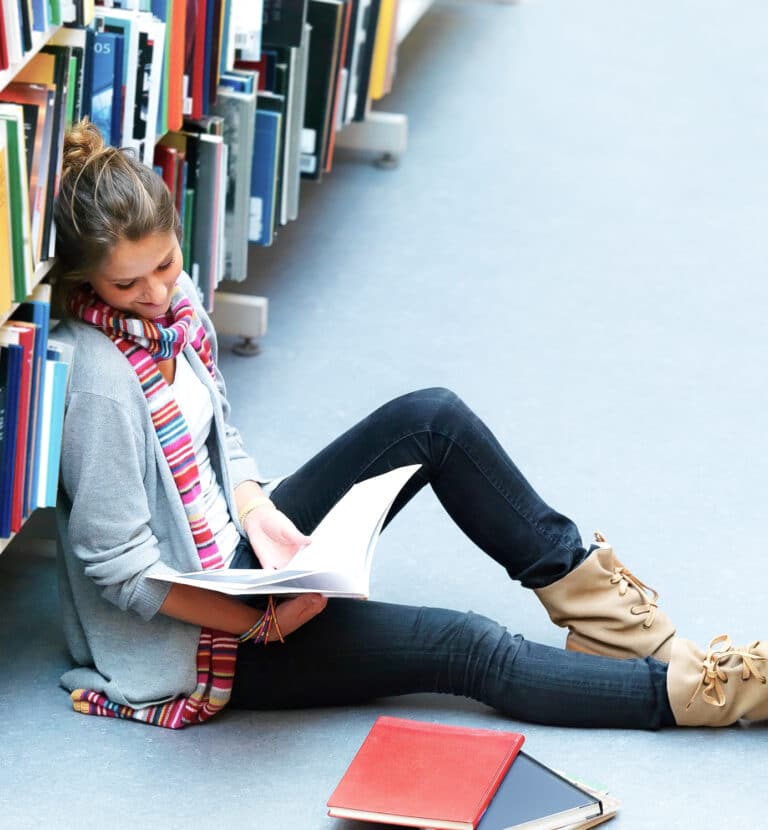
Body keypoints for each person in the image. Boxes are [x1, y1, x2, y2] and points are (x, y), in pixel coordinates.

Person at [52, 118, 767, 732]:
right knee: (467, 647)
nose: (153, 293)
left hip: (240, 554)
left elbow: (221, 442)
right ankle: (707, 693)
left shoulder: (177, 316)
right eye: (127, 284)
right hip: (208, 640)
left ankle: (622, 628)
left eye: (165, 265)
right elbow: (123, 570)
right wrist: (261, 623)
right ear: (88, 283)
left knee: (434, 418)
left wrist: (255, 507)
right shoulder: (103, 386)